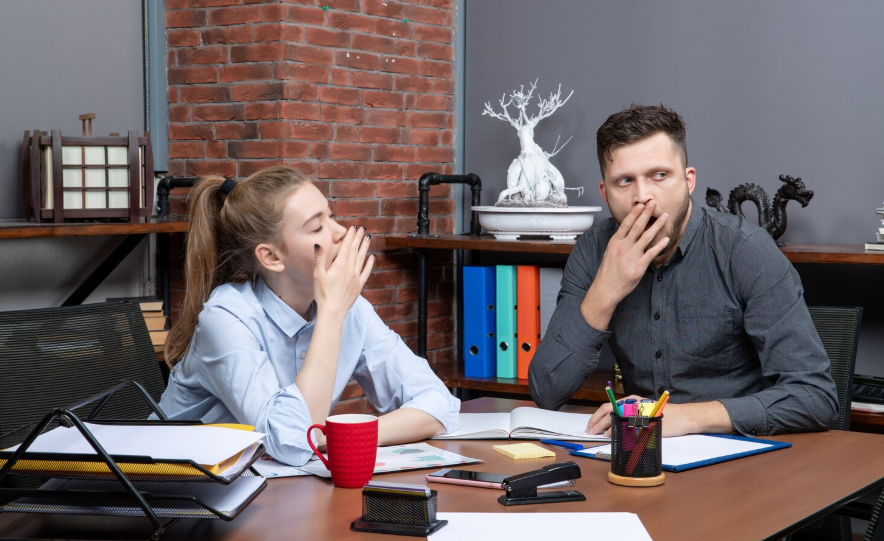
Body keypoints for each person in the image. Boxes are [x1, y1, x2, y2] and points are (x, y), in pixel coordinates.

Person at [528, 104, 837, 438]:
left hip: (739, 453)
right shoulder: (592, 251)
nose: (643, 197)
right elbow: (546, 392)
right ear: (605, 193)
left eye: (659, 175)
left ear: (689, 181)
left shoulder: (746, 249)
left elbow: (815, 397)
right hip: (642, 451)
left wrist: (684, 418)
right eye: (624, 181)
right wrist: (605, 291)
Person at [156, 166, 459, 466]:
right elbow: (294, 445)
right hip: (169, 483)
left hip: (266, 483)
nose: (341, 232)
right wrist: (332, 313)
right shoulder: (226, 317)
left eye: (331, 216)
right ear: (272, 257)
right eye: (317, 228)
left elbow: (439, 403)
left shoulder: (349, 309)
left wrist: (349, 435)